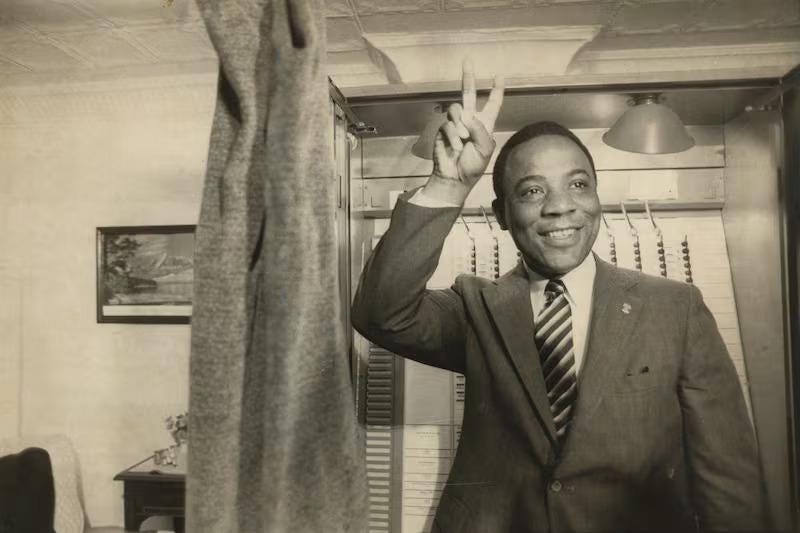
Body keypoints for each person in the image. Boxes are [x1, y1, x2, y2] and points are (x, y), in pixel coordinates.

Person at [351, 61, 767, 533]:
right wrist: (448, 185)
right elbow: (380, 313)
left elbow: (728, 478)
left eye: (578, 184)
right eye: (532, 191)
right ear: (501, 215)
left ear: (596, 197)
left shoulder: (676, 308)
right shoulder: (477, 308)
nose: (560, 206)